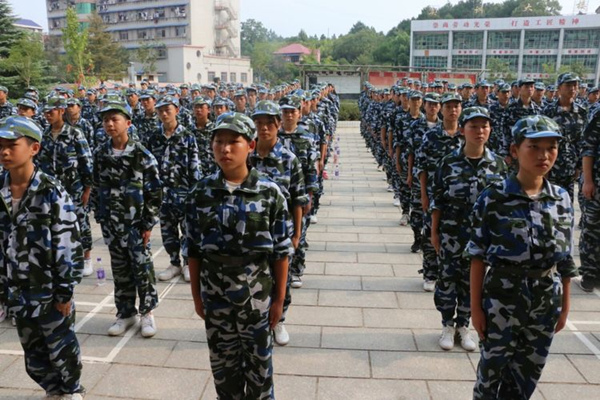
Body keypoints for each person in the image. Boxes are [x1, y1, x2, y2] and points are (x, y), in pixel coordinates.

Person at [467, 115, 577, 399]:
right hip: (502, 295)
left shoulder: (562, 199)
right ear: (515, 151)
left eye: (551, 147)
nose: (544, 155)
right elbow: (477, 256)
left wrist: (564, 306)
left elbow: (564, 259)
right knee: (491, 373)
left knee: (527, 376)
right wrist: (476, 309)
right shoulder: (494, 197)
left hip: (545, 298)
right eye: (534, 147)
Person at [186, 112, 292, 399]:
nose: (225, 149)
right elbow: (193, 251)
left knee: (259, 372)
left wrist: (279, 301)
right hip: (215, 297)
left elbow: (281, 253)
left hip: (255, 298)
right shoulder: (201, 193)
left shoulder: (269, 194)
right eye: (219, 142)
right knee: (224, 371)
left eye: (234, 142)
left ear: (251, 145)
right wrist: (197, 296)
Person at [0, 116, 85, 399]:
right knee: (33, 354)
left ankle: (71, 390)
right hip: (17, 290)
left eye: (12, 145)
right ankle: (53, 390)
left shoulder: (51, 191)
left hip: (48, 290)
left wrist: (65, 291)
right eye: (1, 146)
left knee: (61, 348)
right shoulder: (0, 189)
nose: (5, 152)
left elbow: (68, 245)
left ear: (34, 149)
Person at [430, 107, 507, 351]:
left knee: (472, 284)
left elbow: (502, 205)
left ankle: (464, 326)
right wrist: (433, 233)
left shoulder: (498, 165)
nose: (480, 131)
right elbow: (437, 200)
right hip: (451, 235)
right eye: (474, 127)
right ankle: (447, 324)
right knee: (447, 280)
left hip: (482, 238)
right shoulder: (448, 162)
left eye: (484, 126)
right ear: (463, 130)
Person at [91, 101, 162, 338]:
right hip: (112, 224)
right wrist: (100, 216)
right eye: (106, 120)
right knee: (120, 271)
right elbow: (97, 185)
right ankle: (125, 313)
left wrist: (148, 224)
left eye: (115, 119)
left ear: (128, 123)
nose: (109, 124)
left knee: (142, 269)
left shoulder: (142, 155)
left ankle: (148, 313)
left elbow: (154, 193)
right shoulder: (101, 153)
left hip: (135, 225)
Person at [250, 100, 308, 346]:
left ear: (277, 125)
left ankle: (279, 319)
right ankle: (256, 320)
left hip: (281, 231)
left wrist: (296, 235)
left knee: (280, 278)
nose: (264, 129)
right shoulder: (247, 156)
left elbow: (298, 199)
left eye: (269, 124)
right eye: (259, 124)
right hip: (251, 231)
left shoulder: (288, 158)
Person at [37, 96, 95, 278]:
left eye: (51, 111)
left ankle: (86, 257)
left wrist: (87, 189)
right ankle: (61, 258)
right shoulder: (44, 135)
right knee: (53, 222)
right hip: (51, 190)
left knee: (81, 222)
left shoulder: (75, 133)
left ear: (61, 111)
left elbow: (86, 162)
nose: (47, 115)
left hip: (74, 188)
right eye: (45, 112)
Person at [146, 96, 201, 282]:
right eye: (160, 110)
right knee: (167, 231)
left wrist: (194, 193)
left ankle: (187, 263)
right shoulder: (154, 137)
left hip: (183, 192)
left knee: (187, 230)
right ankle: (174, 263)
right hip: (162, 195)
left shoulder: (187, 136)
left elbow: (194, 167)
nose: (164, 114)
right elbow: (149, 167)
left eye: (167, 110)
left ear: (176, 110)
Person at [579, 100, 600, 291]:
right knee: (591, 228)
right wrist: (588, 180)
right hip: (597, 181)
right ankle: (589, 273)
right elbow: (588, 148)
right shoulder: (598, 113)